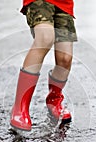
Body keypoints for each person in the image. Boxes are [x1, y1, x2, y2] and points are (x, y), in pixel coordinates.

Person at [10, 0, 77, 131]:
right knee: (45, 38)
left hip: (64, 4)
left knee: (65, 58)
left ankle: (54, 100)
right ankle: (20, 108)